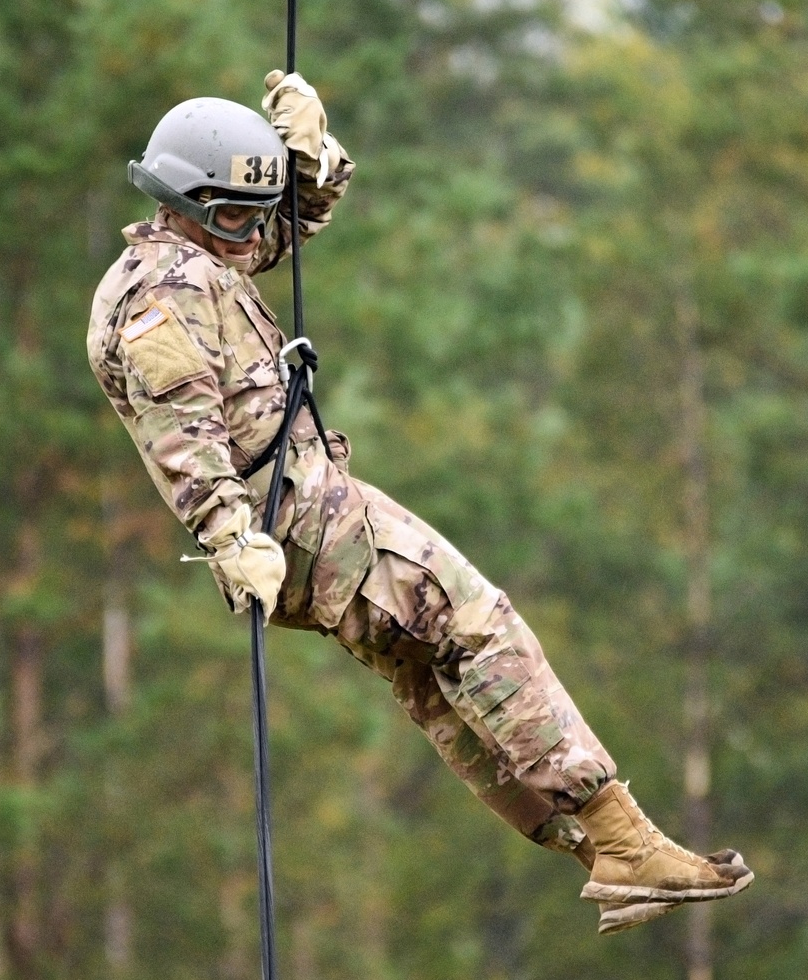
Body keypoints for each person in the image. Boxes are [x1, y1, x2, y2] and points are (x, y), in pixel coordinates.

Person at [87, 70, 752, 935]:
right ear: (186, 202)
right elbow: (187, 433)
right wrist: (229, 533)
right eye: (238, 216)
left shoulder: (201, 258)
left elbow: (273, 236)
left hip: (299, 520)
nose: (257, 236)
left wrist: (307, 163)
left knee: (434, 673)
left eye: (258, 214)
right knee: (475, 623)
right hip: (295, 523)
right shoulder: (157, 297)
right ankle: (621, 837)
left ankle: (602, 854)